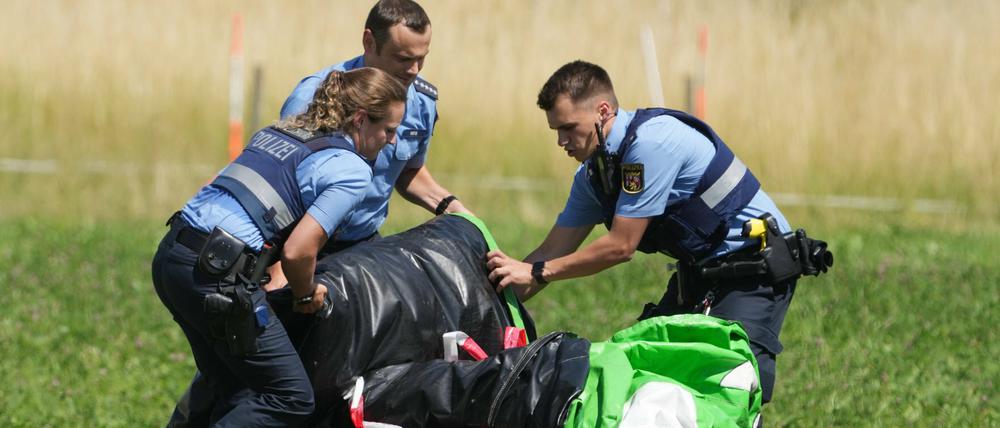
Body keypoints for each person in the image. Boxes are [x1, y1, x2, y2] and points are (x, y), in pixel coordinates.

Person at [487, 60, 830, 405]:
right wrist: (488, 308)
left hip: (755, 269)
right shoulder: (594, 175)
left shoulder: (652, 144)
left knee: (729, 385)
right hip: (700, 274)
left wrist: (537, 272)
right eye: (555, 130)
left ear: (603, 112)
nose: (561, 141)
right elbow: (551, 251)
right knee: (641, 374)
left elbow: (621, 246)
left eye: (568, 127)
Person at [152, 67, 407, 426]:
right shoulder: (351, 169)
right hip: (217, 275)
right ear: (361, 119)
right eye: (389, 130)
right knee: (290, 397)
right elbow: (298, 251)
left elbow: (214, 185)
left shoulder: (280, 132)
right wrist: (306, 294)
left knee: (233, 388)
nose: (392, 141)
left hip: (173, 256)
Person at [280, 0, 470, 258]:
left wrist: (455, 210)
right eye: (403, 58)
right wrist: (283, 263)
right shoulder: (314, 97)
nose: (414, 70)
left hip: (362, 243)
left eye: (422, 58)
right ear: (369, 42)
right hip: (301, 242)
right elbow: (282, 180)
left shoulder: (422, 102)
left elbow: (408, 171)